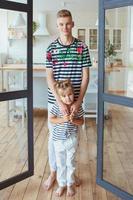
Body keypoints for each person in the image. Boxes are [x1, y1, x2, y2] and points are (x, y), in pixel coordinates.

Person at [43, 9, 92, 190]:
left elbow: (86, 76)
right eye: (61, 24)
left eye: (68, 23)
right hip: (55, 101)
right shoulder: (51, 48)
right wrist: (59, 102)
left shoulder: (82, 47)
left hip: (75, 99)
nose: (65, 27)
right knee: (53, 138)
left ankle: (70, 175)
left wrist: (77, 102)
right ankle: (54, 173)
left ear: (73, 24)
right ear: (58, 26)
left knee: (72, 135)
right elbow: (49, 78)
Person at [50, 79, 84, 196]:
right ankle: (61, 184)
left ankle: (70, 184)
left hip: (71, 139)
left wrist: (73, 120)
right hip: (58, 140)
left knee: (70, 163)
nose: (67, 98)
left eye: (69, 94)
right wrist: (63, 119)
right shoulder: (56, 106)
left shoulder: (76, 107)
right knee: (61, 164)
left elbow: (81, 122)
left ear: (73, 93)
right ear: (59, 97)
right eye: (64, 96)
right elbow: (51, 119)